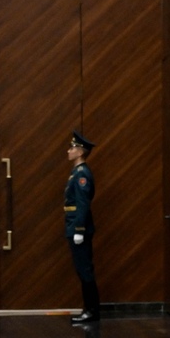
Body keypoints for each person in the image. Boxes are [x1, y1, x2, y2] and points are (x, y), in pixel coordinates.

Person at [65, 131, 100, 324]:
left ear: (80, 151)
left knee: (85, 270)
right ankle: (89, 309)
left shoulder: (82, 174)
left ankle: (92, 311)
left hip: (80, 229)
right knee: (81, 269)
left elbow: (82, 204)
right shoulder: (77, 172)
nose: (68, 151)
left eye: (72, 147)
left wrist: (79, 230)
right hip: (74, 226)